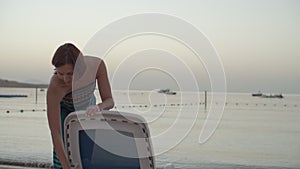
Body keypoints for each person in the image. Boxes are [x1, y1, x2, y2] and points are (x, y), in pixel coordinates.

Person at [47, 43, 114, 169]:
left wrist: (99, 107)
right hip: (65, 111)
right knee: (62, 156)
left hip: (89, 109)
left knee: (86, 156)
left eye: (70, 74)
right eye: (60, 73)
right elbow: (55, 134)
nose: (65, 79)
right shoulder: (55, 86)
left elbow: (110, 101)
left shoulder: (96, 65)